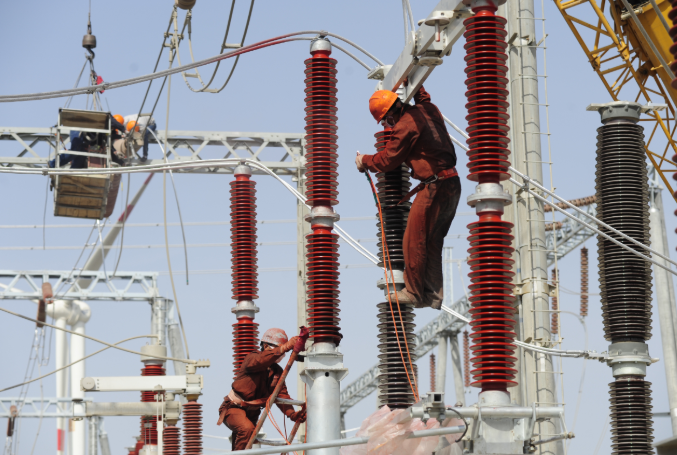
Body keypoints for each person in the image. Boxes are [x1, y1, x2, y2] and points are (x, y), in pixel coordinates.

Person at [356, 86, 461, 309]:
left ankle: (413, 293)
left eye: (387, 121)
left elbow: (388, 160)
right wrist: (415, 82)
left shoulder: (404, 126)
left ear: (390, 114)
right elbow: (424, 97)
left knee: (414, 240)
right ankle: (431, 295)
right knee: (432, 242)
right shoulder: (428, 109)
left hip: (434, 188)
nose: (389, 125)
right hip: (452, 184)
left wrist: (364, 160)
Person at [217, 328, 307, 451]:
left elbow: (281, 395)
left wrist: (293, 415)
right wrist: (285, 347)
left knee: (247, 438)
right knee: (247, 429)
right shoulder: (252, 359)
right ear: (265, 346)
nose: (281, 354)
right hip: (234, 408)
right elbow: (261, 360)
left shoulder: (277, 372)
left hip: (253, 413)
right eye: (278, 349)